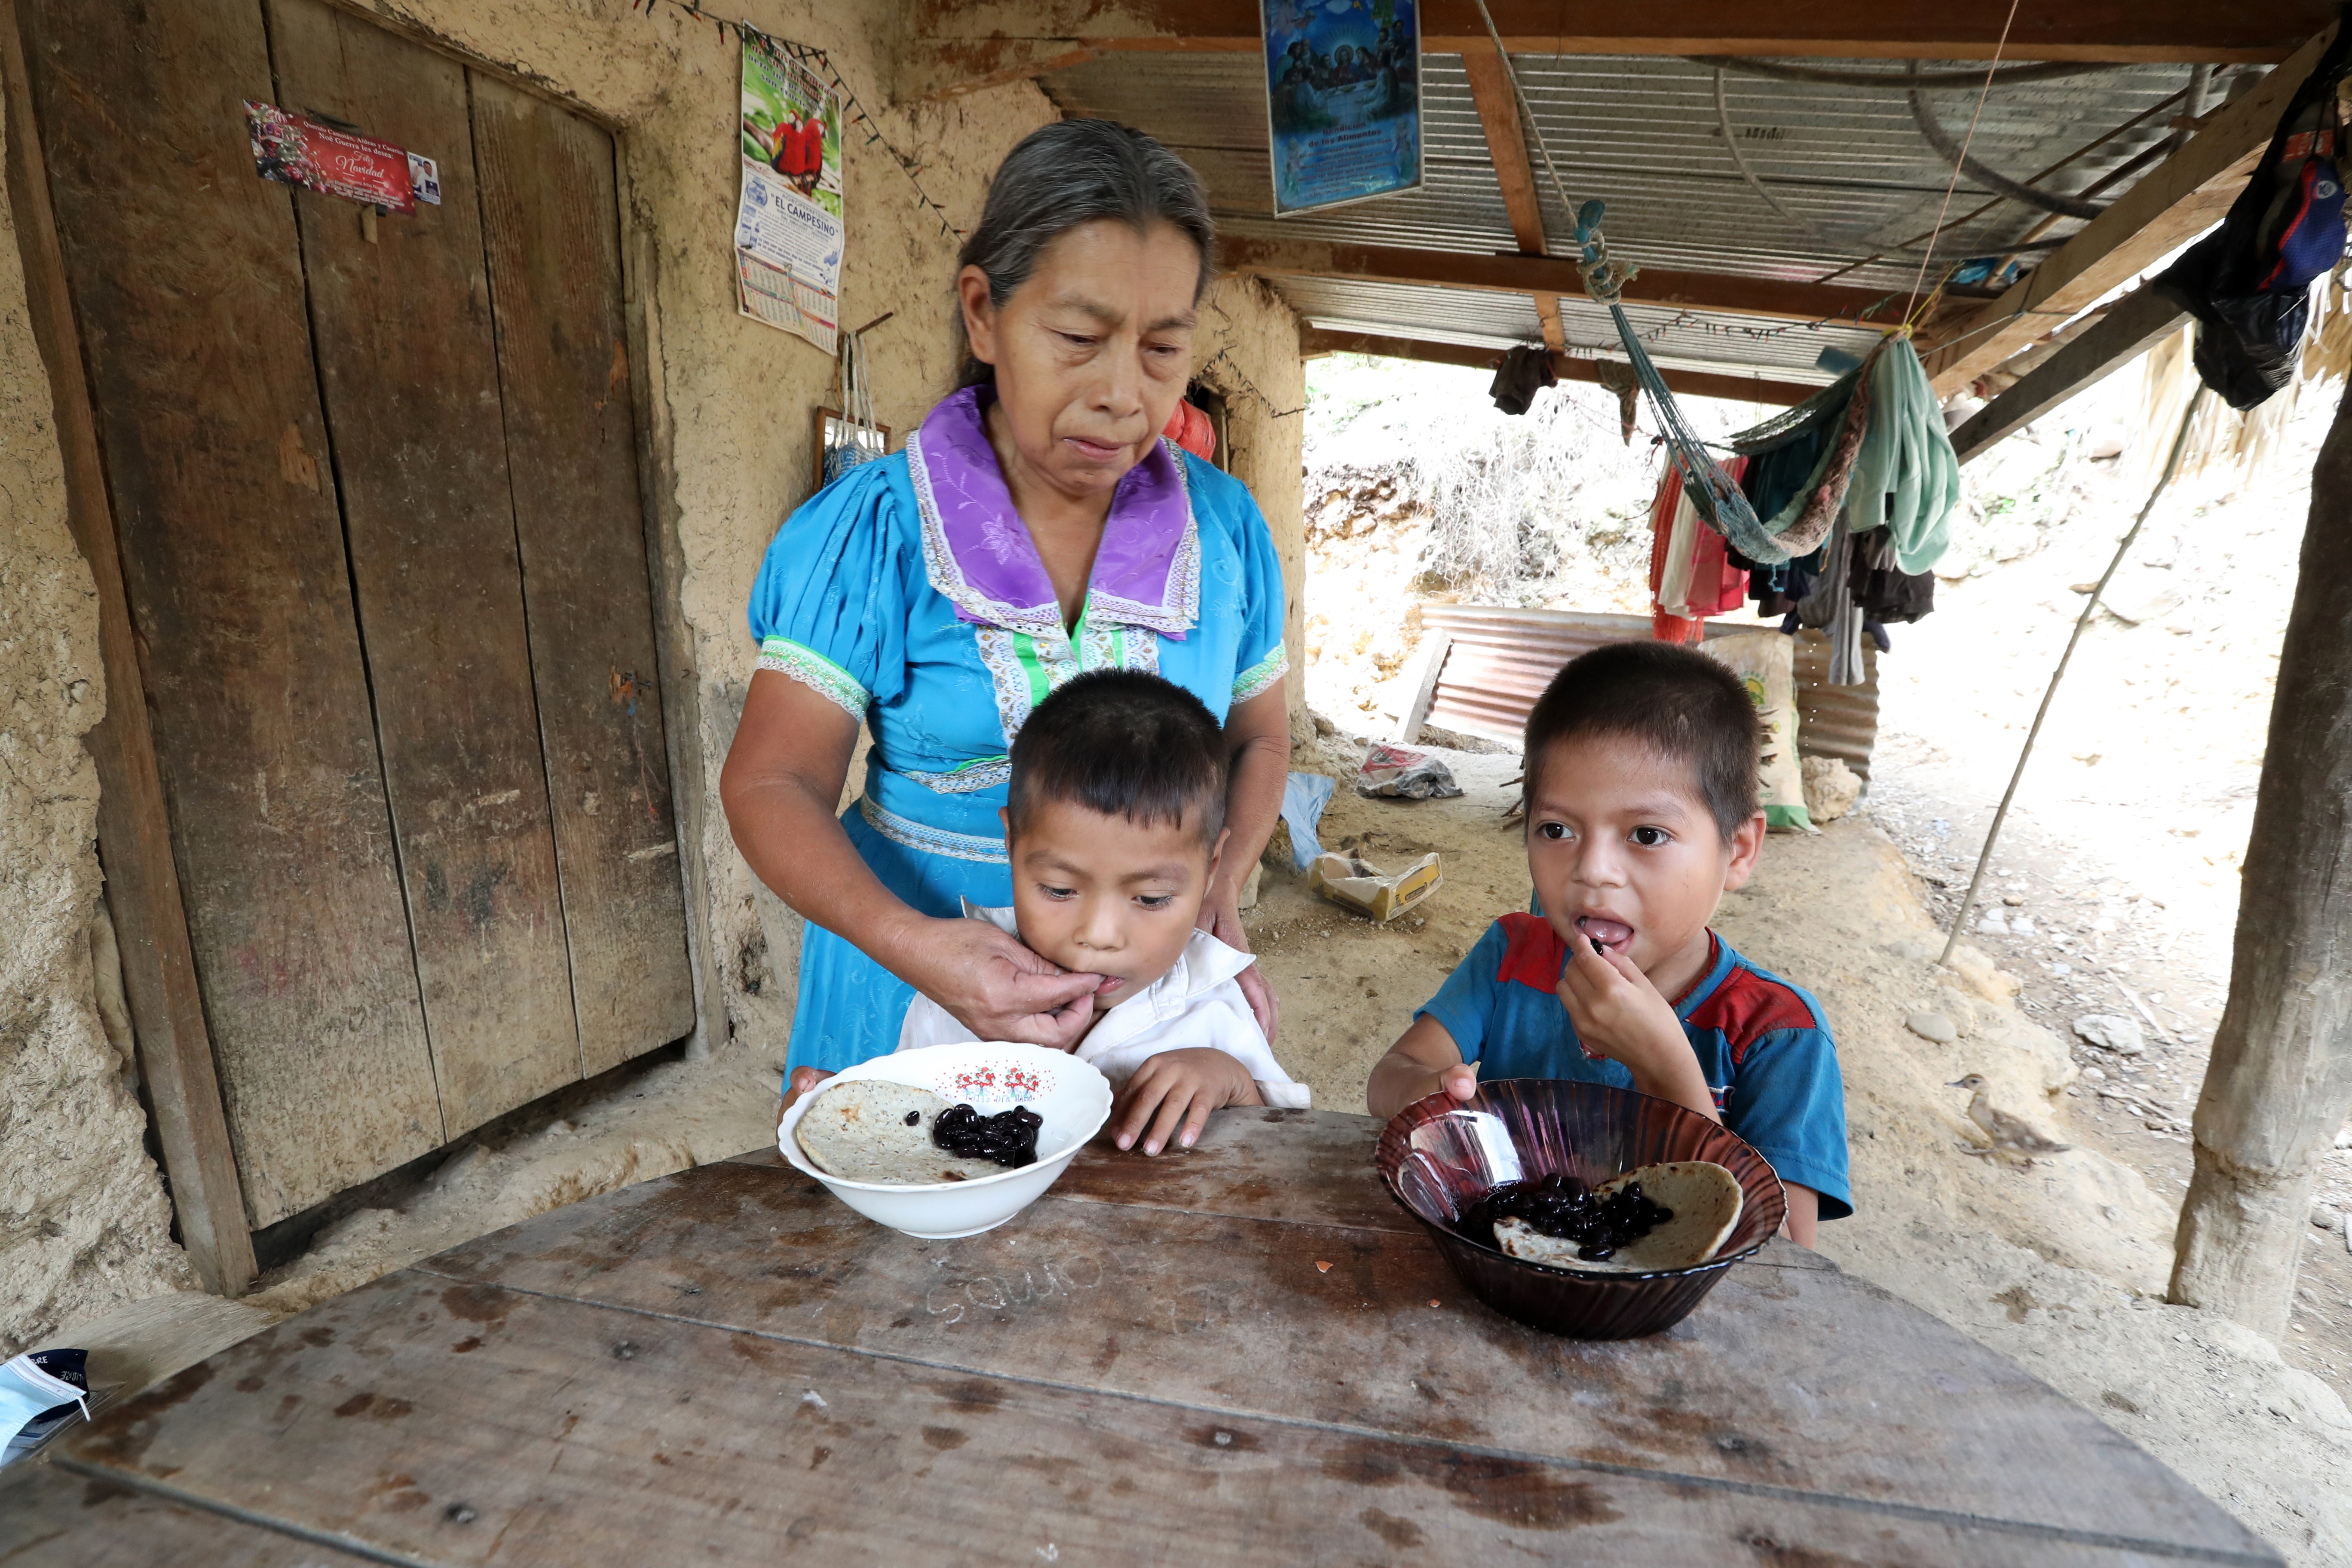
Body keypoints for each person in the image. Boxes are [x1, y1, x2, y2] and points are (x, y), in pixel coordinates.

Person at [721, 121, 1291, 1118]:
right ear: (983, 314)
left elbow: (1259, 739)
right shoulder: (877, 533)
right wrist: (919, 949)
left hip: (1139, 1005)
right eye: (1077, 339)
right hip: (908, 985)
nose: (1123, 395)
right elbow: (770, 782)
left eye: (1163, 349)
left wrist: (1214, 896)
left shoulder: (1225, 532)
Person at [1364, 642, 1850, 1246]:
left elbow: (1783, 1254)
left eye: (1646, 834)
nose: (1593, 871)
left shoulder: (1779, 1035)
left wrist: (1665, 1066)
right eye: (1557, 830)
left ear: (1739, 849)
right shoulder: (1514, 956)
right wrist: (1433, 1099)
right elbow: (1392, 1074)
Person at [893, 671, 1308, 1156]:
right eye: (1060, 889)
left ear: (1212, 868)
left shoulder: (1215, 1008)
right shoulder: (959, 993)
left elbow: (1280, 1160)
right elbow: (909, 1125)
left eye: (1151, 899)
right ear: (1011, 844)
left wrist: (1234, 1083)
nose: (1100, 936)